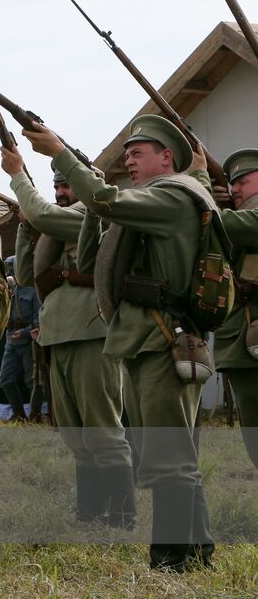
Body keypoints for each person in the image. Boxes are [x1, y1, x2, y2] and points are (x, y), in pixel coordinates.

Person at [23, 115, 216, 571]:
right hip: (144, 337)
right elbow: (94, 248)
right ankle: (199, 550)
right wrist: (94, 205)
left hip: (164, 337)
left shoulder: (172, 195)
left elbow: (106, 199)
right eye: (127, 153)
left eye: (138, 152)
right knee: (170, 454)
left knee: (168, 458)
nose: (129, 159)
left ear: (167, 157)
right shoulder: (146, 202)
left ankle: (172, 561)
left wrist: (61, 155)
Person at [3, 154, 132, 525]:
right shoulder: (53, 226)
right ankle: (90, 511)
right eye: (57, 186)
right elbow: (27, 275)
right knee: (76, 434)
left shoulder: (92, 212)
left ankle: (123, 517)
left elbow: (46, 216)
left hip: (91, 330)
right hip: (59, 334)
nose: (60, 192)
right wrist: (26, 229)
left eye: (66, 185)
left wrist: (17, 178)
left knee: (104, 429)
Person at [217, 148, 258, 470]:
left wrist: (204, 196)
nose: (235, 188)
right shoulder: (237, 217)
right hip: (244, 338)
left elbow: (227, 225)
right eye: (232, 182)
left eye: (243, 180)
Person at [0, 259, 42, 422]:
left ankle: (36, 414)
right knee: (5, 379)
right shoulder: (10, 290)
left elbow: (39, 320)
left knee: (33, 380)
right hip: (11, 340)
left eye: (12, 268)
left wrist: (24, 333)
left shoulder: (33, 291)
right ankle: (19, 414)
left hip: (29, 342)